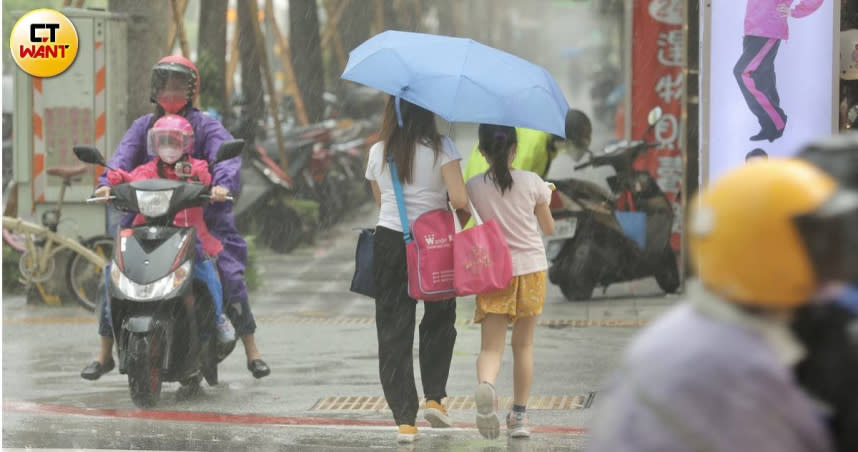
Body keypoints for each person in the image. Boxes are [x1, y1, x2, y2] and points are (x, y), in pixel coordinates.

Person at [587, 159, 854, 452]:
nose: (834, 259)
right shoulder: (740, 368)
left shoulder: (699, 327)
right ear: (768, 252)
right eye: (819, 242)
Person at [81, 55, 270, 381]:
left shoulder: (206, 126)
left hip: (202, 219)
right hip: (144, 218)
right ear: (155, 88)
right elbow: (120, 163)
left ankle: (252, 350)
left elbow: (225, 159)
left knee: (228, 274)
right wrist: (105, 185)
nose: (171, 91)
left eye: (179, 85)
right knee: (112, 275)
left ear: (192, 89)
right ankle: (104, 352)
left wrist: (221, 186)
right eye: (165, 85)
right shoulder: (142, 127)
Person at [364, 96, 468, 443]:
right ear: (428, 111)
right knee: (440, 316)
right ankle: (435, 398)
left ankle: (405, 420)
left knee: (393, 328)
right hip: (435, 243)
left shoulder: (379, 151)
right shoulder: (443, 147)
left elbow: (382, 201)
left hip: (391, 242)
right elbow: (461, 200)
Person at [104, 114, 236, 344]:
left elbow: (206, 180)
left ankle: (218, 319)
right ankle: (109, 327)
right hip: (149, 233)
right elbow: (131, 178)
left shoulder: (197, 166)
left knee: (206, 271)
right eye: (162, 141)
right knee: (114, 272)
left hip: (187, 235)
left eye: (174, 141)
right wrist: (113, 181)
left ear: (186, 144)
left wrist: (215, 189)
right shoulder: (148, 169)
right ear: (154, 144)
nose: (168, 147)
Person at [465, 124, 554, 439]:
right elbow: (549, 227)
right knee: (524, 345)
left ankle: (486, 386)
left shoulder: (473, 186)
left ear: (482, 151)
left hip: (493, 271)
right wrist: (546, 196)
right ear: (514, 148)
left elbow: (463, 222)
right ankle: (518, 417)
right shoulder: (533, 182)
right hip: (530, 269)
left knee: (491, 348)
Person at [734, 0, 823, 142]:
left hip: (767, 27)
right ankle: (770, 127)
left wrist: (795, 11)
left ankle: (776, 121)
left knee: (744, 72)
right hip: (753, 26)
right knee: (763, 76)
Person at [463, 109, 592, 181]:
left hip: (487, 199)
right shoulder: (534, 143)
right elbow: (511, 183)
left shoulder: (547, 143)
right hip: (483, 212)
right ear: (566, 140)